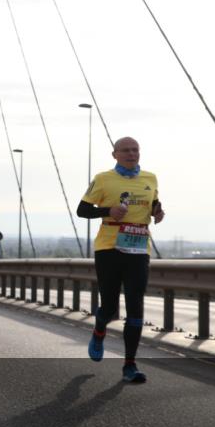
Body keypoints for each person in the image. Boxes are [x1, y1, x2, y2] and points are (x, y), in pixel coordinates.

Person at [78, 136, 163, 384]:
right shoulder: (103, 179)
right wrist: (108, 211)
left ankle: (130, 365)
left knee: (136, 305)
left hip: (138, 249)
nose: (131, 153)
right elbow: (82, 210)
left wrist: (158, 211)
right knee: (110, 307)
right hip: (109, 248)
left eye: (135, 149)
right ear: (114, 154)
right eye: (125, 150)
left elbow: (153, 202)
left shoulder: (150, 178)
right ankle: (99, 329)